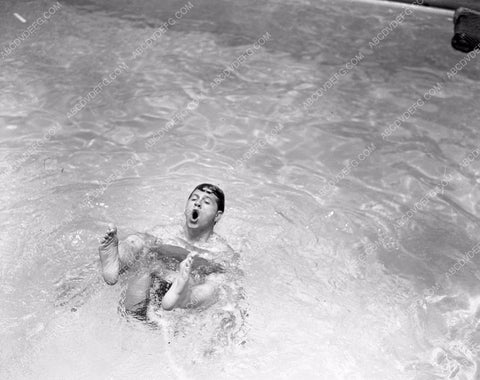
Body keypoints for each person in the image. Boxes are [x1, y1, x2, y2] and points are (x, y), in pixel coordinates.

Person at [98, 183, 233, 319]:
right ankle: (116, 262)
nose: (197, 204)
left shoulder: (220, 250)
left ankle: (185, 298)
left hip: (182, 290)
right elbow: (143, 247)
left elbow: (230, 281)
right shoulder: (166, 232)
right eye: (194, 199)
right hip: (145, 290)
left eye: (206, 202)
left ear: (217, 216)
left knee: (217, 284)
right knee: (136, 241)